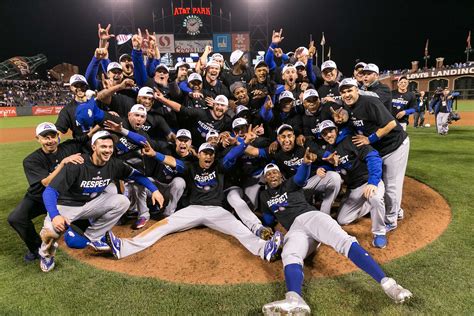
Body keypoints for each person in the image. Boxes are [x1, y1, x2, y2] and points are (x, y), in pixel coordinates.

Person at [259, 159, 412, 315]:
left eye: (275, 172)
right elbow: (268, 219)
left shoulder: (290, 184)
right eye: (268, 174)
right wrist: (268, 230)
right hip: (294, 230)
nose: (272, 175)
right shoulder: (264, 196)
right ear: (265, 178)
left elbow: (300, 178)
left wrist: (305, 164)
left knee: (344, 242)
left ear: (281, 176)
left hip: (311, 217)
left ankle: (390, 285)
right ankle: (294, 299)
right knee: (289, 254)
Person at [104, 141, 284, 262]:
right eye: (205, 153)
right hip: (193, 209)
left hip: (217, 210)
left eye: (211, 153)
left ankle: (264, 250)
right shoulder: (190, 167)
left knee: (239, 230)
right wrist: (154, 154)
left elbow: (230, 157)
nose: (208, 156)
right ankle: (124, 247)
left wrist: (243, 143)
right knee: (163, 226)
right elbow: (173, 161)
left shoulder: (219, 167)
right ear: (198, 154)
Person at [38, 130, 165, 272]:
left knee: (122, 201)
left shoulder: (114, 164)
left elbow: (136, 175)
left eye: (110, 147)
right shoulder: (77, 164)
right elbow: (49, 191)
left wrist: (154, 190)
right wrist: (55, 216)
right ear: (94, 147)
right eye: (103, 146)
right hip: (67, 206)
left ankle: (93, 237)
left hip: (91, 203)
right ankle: (46, 255)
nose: (108, 150)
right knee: (50, 232)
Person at [7, 122, 95, 262]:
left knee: (85, 227)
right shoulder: (31, 160)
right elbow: (47, 182)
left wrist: (98, 125)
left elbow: (84, 138)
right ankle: (36, 249)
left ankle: (88, 233)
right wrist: (63, 163)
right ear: (38, 139)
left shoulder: (68, 147)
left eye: (53, 136)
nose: (50, 141)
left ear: (58, 136)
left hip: (63, 197)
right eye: (45, 137)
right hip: (38, 197)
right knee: (16, 218)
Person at [339, 78, 409, 229]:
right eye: (343, 92)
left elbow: (391, 124)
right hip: (380, 147)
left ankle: (391, 219)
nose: (347, 94)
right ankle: (395, 210)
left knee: (391, 184)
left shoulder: (370, 102)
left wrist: (370, 139)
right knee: (384, 182)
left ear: (357, 90)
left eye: (350, 90)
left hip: (394, 145)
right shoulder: (347, 106)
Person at [318, 120, 387, 248]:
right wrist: (322, 168)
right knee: (342, 220)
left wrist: (373, 182)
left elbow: (373, 157)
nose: (328, 135)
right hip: (354, 189)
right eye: (324, 134)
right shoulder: (328, 150)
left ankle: (380, 233)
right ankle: (369, 205)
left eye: (330, 131)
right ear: (321, 136)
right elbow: (331, 167)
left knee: (375, 198)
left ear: (336, 130)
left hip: (369, 181)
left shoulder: (351, 140)